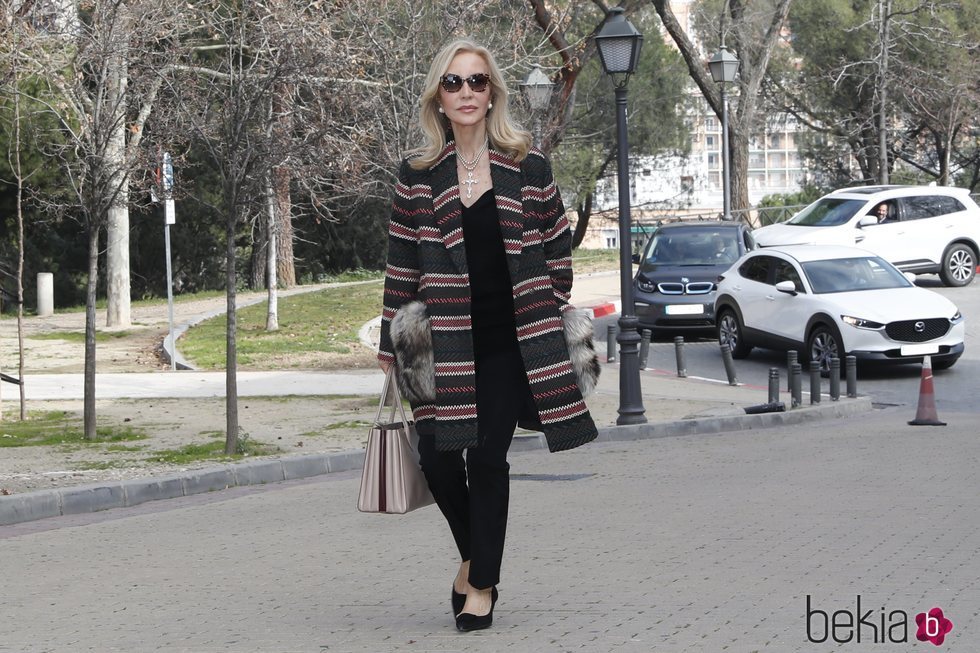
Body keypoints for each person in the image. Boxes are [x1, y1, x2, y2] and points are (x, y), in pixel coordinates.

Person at [376, 39, 599, 632]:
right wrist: (387, 344)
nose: (467, 92)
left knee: (487, 457)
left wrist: (544, 301)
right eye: (453, 82)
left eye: (477, 82)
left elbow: (558, 244)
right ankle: (475, 557)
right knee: (439, 461)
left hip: (510, 340)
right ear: (439, 97)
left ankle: (481, 586)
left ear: (492, 92)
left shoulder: (527, 167)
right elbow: (401, 264)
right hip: (442, 342)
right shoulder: (418, 176)